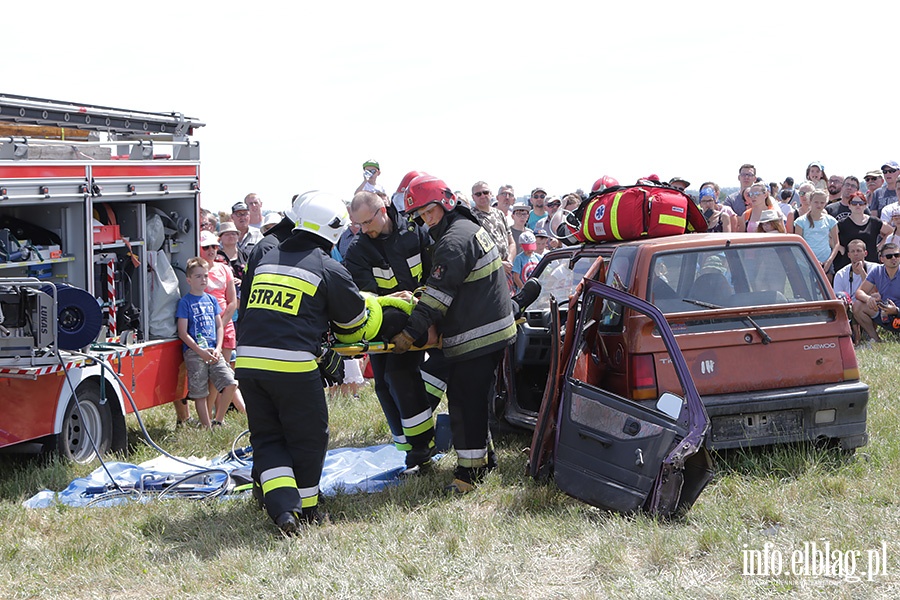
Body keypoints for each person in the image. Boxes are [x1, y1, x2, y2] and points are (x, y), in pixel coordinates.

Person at [236, 190, 369, 534]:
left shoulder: (266, 257)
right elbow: (353, 323)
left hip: (249, 364)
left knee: (267, 438)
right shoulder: (327, 266)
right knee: (308, 437)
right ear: (334, 231)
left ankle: (282, 511)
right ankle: (307, 509)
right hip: (293, 367)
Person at [394, 174, 517, 493]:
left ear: (445, 203)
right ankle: (485, 461)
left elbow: (438, 296)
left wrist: (410, 333)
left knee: (465, 402)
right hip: (487, 329)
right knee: (472, 399)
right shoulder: (466, 228)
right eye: (420, 215)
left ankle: (469, 475)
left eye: (428, 211)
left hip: (478, 335)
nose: (425, 219)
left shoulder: (454, 241)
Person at [344, 191, 436, 473]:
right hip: (387, 323)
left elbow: (436, 270)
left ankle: (421, 450)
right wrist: (392, 297)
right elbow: (359, 293)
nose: (364, 230)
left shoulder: (415, 232)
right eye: (358, 226)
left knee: (399, 377)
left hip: (425, 316)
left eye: (367, 223)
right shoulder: (358, 249)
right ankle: (409, 447)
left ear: (382, 211)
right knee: (383, 385)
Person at [176, 257, 238, 429]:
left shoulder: (211, 300)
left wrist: (218, 348)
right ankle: (206, 427)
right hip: (194, 352)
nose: (203, 280)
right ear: (189, 280)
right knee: (200, 392)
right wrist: (199, 351)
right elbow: (183, 332)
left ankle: (218, 420)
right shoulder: (185, 302)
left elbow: (219, 326)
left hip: (213, 351)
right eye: (198, 276)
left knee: (231, 383)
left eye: (205, 276)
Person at [199, 231, 247, 420]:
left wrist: (221, 325)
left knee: (224, 371)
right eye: (206, 247)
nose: (211, 250)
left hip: (225, 325)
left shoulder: (225, 268)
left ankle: (219, 417)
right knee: (212, 376)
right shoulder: (196, 270)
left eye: (214, 246)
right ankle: (209, 418)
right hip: (204, 327)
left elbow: (232, 301)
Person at [853, 243, 900, 342]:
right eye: (889, 256)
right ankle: (876, 340)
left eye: (897, 255)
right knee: (857, 305)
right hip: (885, 314)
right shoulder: (877, 271)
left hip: (897, 313)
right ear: (882, 259)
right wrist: (869, 299)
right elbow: (859, 292)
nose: (893, 258)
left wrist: (896, 311)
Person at [835, 191, 892, 272]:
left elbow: (890, 231)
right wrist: (840, 249)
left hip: (871, 263)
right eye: (854, 203)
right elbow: (830, 236)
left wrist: (880, 247)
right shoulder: (842, 223)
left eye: (861, 203)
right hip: (848, 264)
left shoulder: (874, 222)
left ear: (865, 205)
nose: (858, 205)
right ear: (849, 205)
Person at [833, 239, 879, 329]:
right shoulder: (841, 274)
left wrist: (862, 272)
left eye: (858, 251)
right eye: (853, 251)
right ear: (849, 255)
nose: (856, 254)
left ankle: (870, 336)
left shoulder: (875, 268)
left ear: (865, 253)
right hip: (849, 307)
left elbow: (874, 291)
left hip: (869, 304)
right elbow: (838, 297)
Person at [793, 189, 839, 278]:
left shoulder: (831, 221)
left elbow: (836, 243)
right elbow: (797, 244)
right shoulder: (800, 221)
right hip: (805, 263)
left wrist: (829, 261)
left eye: (822, 203)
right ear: (810, 201)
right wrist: (809, 261)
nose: (819, 205)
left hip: (826, 262)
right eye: (816, 202)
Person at [216, 221, 247, 297]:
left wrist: (242, 282)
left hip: (243, 295)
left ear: (237, 236)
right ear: (220, 238)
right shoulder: (216, 257)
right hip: (224, 295)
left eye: (233, 234)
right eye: (227, 234)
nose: (231, 236)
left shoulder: (245, 254)